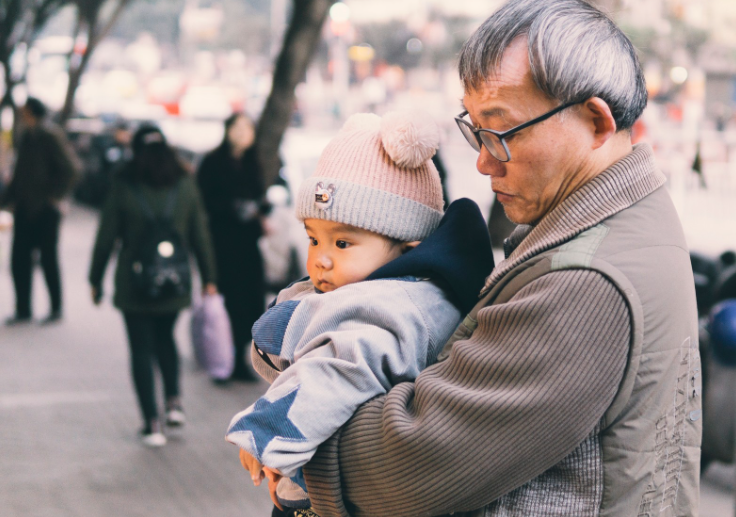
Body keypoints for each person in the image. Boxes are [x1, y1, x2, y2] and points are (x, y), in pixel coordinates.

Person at [300, 1, 701, 516]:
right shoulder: (634, 218)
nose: (484, 161)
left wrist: (294, 431)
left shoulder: (585, 282)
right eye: (475, 130)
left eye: (501, 132)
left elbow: (412, 468)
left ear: (596, 122)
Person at [226, 111, 495, 516]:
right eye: (314, 239)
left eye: (344, 244)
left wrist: (268, 429)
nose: (321, 260)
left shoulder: (395, 307)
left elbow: (342, 365)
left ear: (407, 244)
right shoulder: (382, 290)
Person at [88, 125, 218, 447]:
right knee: (165, 340)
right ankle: (174, 402)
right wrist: (209, 277)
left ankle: (152, 423)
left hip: (134, 283)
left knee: (141, 349)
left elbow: (106, 236)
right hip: (175, 282)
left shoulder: (124, 183)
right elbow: (200, 233)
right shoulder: (185, 183)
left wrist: (95, 279)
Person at [196, 113, 268, 381]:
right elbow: (204, 200)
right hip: (223, 242)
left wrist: (259, 211)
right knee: (226, 302)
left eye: (247, 127)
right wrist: (233, 207)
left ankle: (241, 359)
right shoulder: (213, 162)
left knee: (249, 303)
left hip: (248, 244)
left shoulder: (253, 163)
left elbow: (261, 195)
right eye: (237, 127)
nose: (242, 133)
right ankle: (220, 359)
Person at [0, 97, 79, 325]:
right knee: (19, 261)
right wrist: (4, 201)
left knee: (48, 260)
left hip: (45, 209)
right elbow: (19, 175)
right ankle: (23, 309)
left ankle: (56, 307)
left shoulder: (49, 135)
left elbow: (71, 169)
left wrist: (55, 196)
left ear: (31, 112)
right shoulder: (27, 136)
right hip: (25, 208)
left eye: (24, 111)